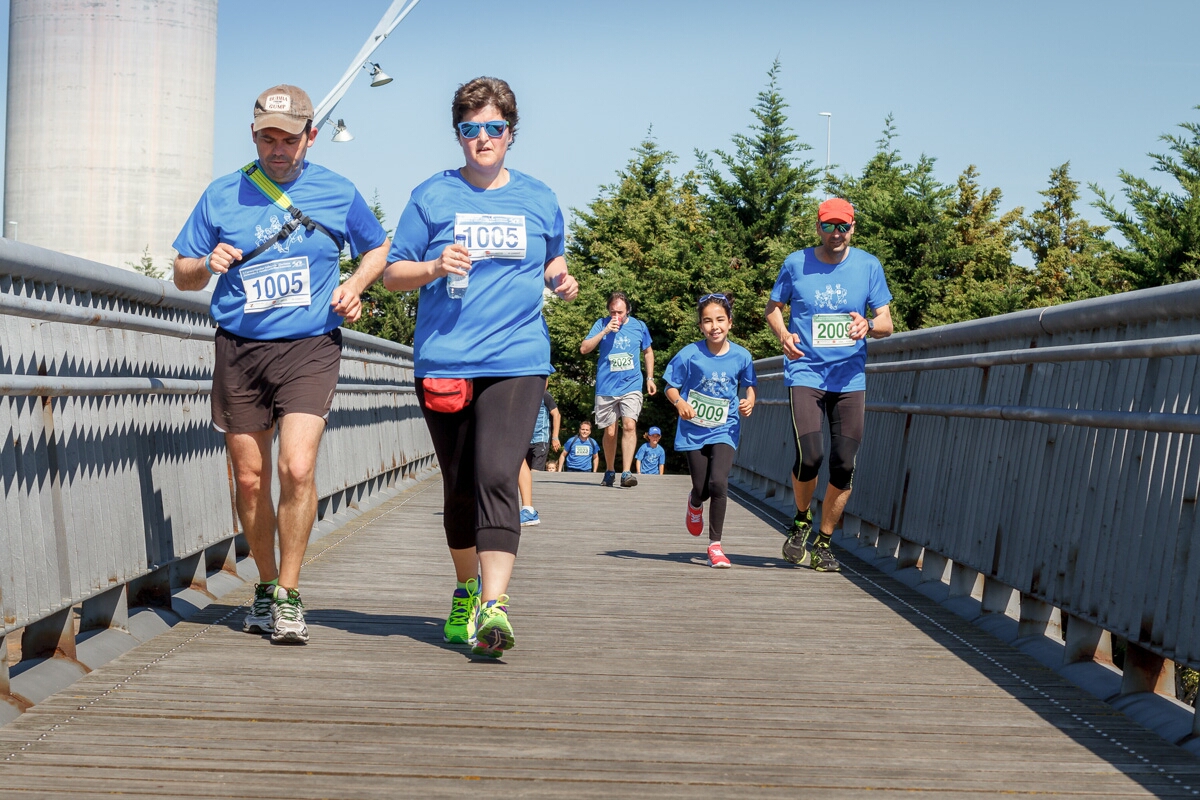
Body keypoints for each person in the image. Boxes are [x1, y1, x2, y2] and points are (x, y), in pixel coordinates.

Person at [171, 85, 390, 644]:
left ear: (310, 137)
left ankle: (290, 594)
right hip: (240, 347)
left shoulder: (337, 192)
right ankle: (265, 586)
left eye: (288, 139)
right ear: (253, 135)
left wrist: (355, 283)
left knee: (295, 468)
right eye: (267, 137)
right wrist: (206, 263)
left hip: (309, 346)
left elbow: (378, 248)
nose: (277, 148)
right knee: (249, 479)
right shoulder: (222, 195)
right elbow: (182, 273)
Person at [381, 76, 578, 658]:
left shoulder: (539, 197)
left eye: (494, 128)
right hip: (446, 358)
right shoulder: (431, 197)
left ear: (510, 134)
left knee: (497, 474)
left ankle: (495, 607)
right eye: (471, 129)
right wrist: (435, 265)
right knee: (460, 488)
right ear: (458, 135)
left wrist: (560, 280)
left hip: (518, 357)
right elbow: (393, 273)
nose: (482, 139)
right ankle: (466, 589)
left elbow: (555, 256)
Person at [765, 197, 893, 573]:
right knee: (812, 456)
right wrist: (783, 334)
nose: (835, 234)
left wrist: (868, 325)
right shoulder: (795, 263)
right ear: (817, 227)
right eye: (828, 226)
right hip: (806, 372)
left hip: (849, 377)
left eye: (843, 227)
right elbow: (773, 307)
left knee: (843, 463)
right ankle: (801, 519)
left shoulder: (868, 265)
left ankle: (823, 542)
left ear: (853, 227)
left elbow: (886, 321)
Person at [663, 293, 757, 568]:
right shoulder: (689, 354)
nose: (714, 326)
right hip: (693, 429)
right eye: (707, 321)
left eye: (719, 320)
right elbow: (670, 384)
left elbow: (750, 384)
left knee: (718, 482)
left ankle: (715, 545)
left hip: (725, 428)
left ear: (729, 322)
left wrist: (749, 400)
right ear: (701, 326)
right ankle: (694, 502)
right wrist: (679, 402)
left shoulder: (742, 355)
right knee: (702, 488)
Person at [579, 291, 655, 488]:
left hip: (631, 384)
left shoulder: (639, 326)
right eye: (612, 312)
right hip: (606, 387)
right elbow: (584, 348)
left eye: (620, 312)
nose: (616, 317)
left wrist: (650, 378)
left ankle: (627, 472)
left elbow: (648, 352)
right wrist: (605, 331)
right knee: (610, 432)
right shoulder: (601, 324)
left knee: (629, 425)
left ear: (627, 310)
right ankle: (610, 470)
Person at [519, 386, 561, 526]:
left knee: (535, 473)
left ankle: (532, 508)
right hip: (524, 439)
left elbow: (556, 414)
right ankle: (528, 504)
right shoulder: (523, 394)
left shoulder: (545, 395)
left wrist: (555, 437)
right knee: (523, 471)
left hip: (540, 439)